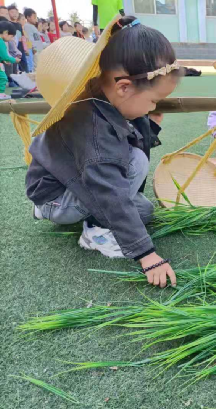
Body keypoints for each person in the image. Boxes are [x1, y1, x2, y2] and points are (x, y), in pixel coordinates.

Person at [26, 16, 182, 288]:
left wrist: (150, 126)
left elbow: (130, 135)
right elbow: (107, 189)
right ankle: (95, 233)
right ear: (124, 87)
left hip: (70, 178)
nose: (153, 107)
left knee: (143, 211)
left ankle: (71, 213)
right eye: (153, 101)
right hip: (56, 195)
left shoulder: (104, 96)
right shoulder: (93, 128)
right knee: (134, 164)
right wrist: (146, 254)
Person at [0, 21, 21, 99]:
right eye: (12, 36)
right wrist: (14, 60)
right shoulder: (1, 42)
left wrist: (2, 61)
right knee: (3, 77)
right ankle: (1, 93)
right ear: (6, 33)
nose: (12, 39)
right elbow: (5, 56)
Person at [8, 4, 27, 72]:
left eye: (16, 12)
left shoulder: (19, 25)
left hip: (20, 46)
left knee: (24, 63)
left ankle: (25, 77)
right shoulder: (8, 24)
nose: (15, 14)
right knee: (15, 65)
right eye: (12, 12)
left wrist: (25, 48)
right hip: (13, 47)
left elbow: (23, 37)